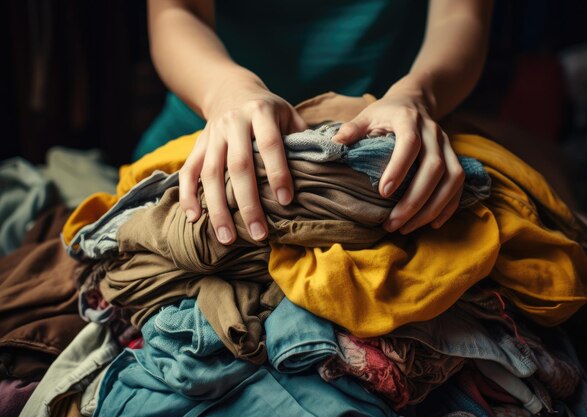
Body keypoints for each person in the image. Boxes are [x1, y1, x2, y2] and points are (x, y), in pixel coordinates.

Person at [143, 0, 493, 245]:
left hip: (399, 137)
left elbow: (460, 15)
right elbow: (176, 10)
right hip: (204, 134)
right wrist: (227, 92)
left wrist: (420, 95)